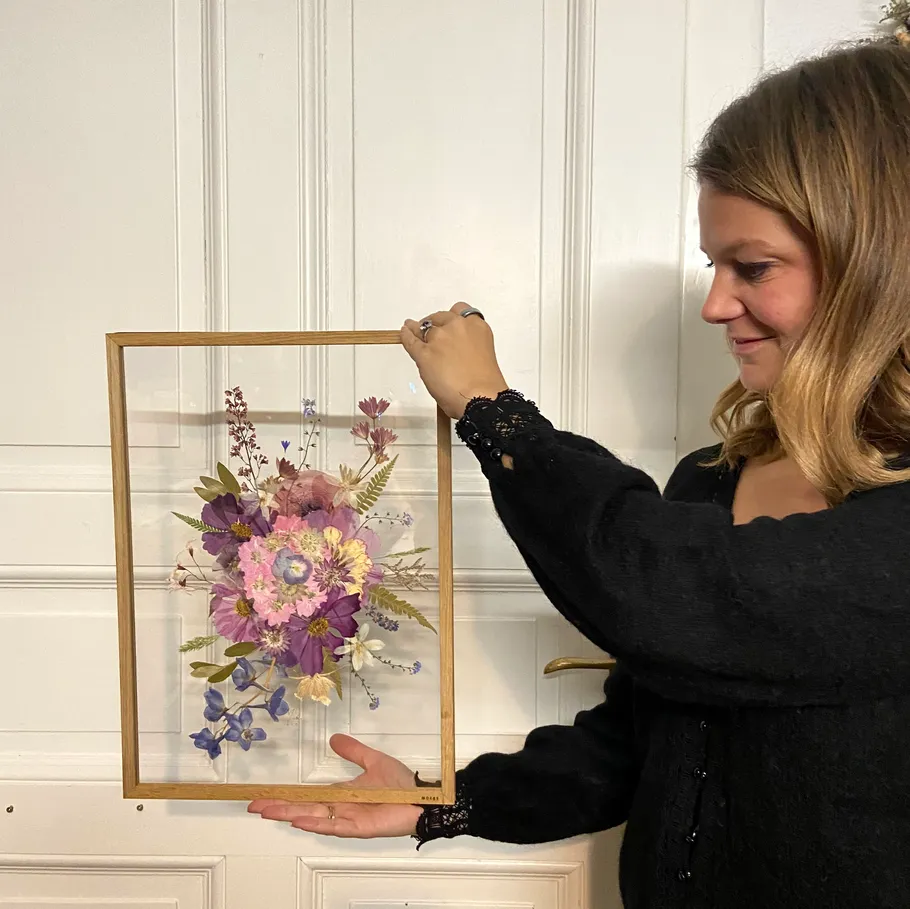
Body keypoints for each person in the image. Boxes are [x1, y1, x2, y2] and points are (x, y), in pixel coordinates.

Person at [249, 38, 910, 908]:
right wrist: (442, 799)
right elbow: (636, 744)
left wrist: (494, 413)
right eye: (714, 265)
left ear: (876, 264)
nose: (715, 303)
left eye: (752, 267)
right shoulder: (714, 478)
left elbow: (667, 589)